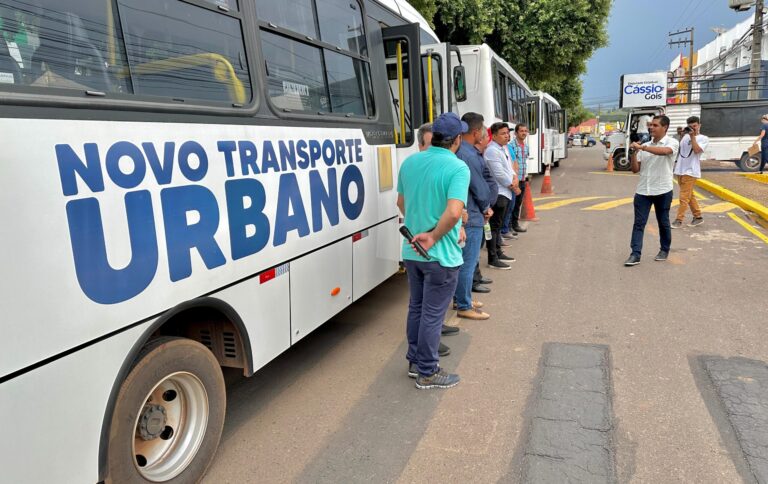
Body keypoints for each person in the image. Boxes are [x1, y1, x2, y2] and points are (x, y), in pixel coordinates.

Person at [397, 112, 470, 389]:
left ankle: (415, 363)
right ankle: (428, 372)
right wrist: (434, 235)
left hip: (412, 251)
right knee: (432, 314)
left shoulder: (411, 162)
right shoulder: (457, 168)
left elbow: (401, 203)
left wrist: (420, 229)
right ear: (457, 140)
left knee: (416, 307)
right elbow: (454, 212)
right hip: (441, 254)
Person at [625, 115, 679, 266]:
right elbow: (635, 170)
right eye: (650, 125)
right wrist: (634, 154)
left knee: (663, 222)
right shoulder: (645, 145)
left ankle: (664, 249)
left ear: (665, 127)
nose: (651, 128)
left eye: (655, 125)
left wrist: (642, 147)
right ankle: (635, 254)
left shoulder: (672, 143)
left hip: (663, 190)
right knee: (638, 224)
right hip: (643, 191)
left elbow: (665, 152)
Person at [453, 113, 492, 320]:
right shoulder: (468, 155)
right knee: (467, 263)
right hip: (472, 215)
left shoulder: (461, 152)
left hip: (465, 213)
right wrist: (487, 206)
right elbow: (480, 188)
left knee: (462, 263)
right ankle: (464, 305)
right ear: (476, 132)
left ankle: (462, 297)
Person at [484, 122, 516, 269]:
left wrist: (514, 178)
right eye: (503, 133)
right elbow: (499, 174)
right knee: (494, 226)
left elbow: (509, 169)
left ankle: (498, 251)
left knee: (497, 225)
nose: (507, 135)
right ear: (494, 135)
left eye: (507, 133)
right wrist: (513, 186)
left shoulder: (503, 148)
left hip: (506, 192)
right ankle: (492, 258)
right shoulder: (491, 150)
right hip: (498, 193)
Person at [672, 116, 708, 228]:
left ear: (699, 125)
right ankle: (698, 217)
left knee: (683, 197)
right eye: (690, 126)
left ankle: (679, 220)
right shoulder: (685, 137)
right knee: (689, 195)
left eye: (695, 126)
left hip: (691, 171)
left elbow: (697, 150)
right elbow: (680, 151)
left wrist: (692, 137)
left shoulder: (703, 138)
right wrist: (683, 135)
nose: (693, 128)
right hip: (680, 169)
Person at [508, 123, 530, 234]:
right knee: (511, 205)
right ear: (516, 133)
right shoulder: (511, 146)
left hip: (522, 179)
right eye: (521, 131)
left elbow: (524, 162)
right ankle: (509, 226)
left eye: (525, 131)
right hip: (514, 180)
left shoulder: (526, 146)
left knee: (518, 204)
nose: (524, 133)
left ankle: (515, 225)